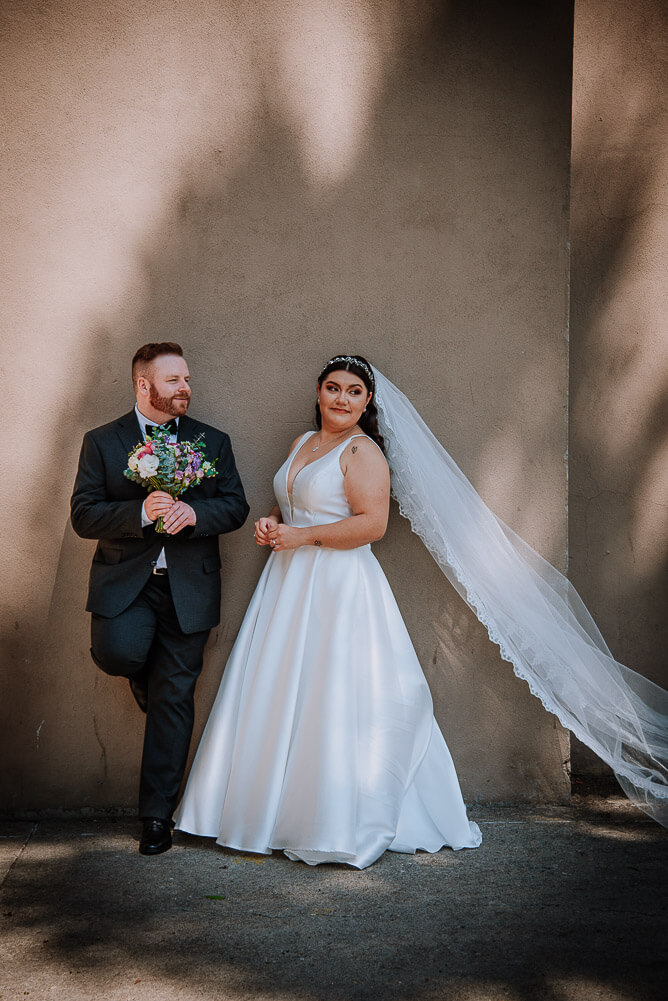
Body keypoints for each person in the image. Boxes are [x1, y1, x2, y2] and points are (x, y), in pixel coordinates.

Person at [173, 355, 483, 867]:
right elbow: (294, 501)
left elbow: (372, 525)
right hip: (287, 581)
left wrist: (301, 536)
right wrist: (273, 522)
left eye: (354, 391)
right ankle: (269, 814)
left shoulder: (362, 451)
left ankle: (330, 819)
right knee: (279, 690)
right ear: (319, 392)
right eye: (333, 388)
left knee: (329, 692)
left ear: (368, 402)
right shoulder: (303, 441)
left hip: (337, 586)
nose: (342, 399)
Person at [70, 342, 249, 856]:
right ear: (143, 385)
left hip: (189, 587)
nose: (185, 387)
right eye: (174, 380)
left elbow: (235, 506)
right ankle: (143, 679)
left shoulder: (211, 442)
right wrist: (140, 513)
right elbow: (83, 514)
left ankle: (156, 816)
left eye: (186, 378)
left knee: (175, 698)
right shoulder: (102, 441)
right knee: (118, 654)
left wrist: (196, 514)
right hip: (126, 583)